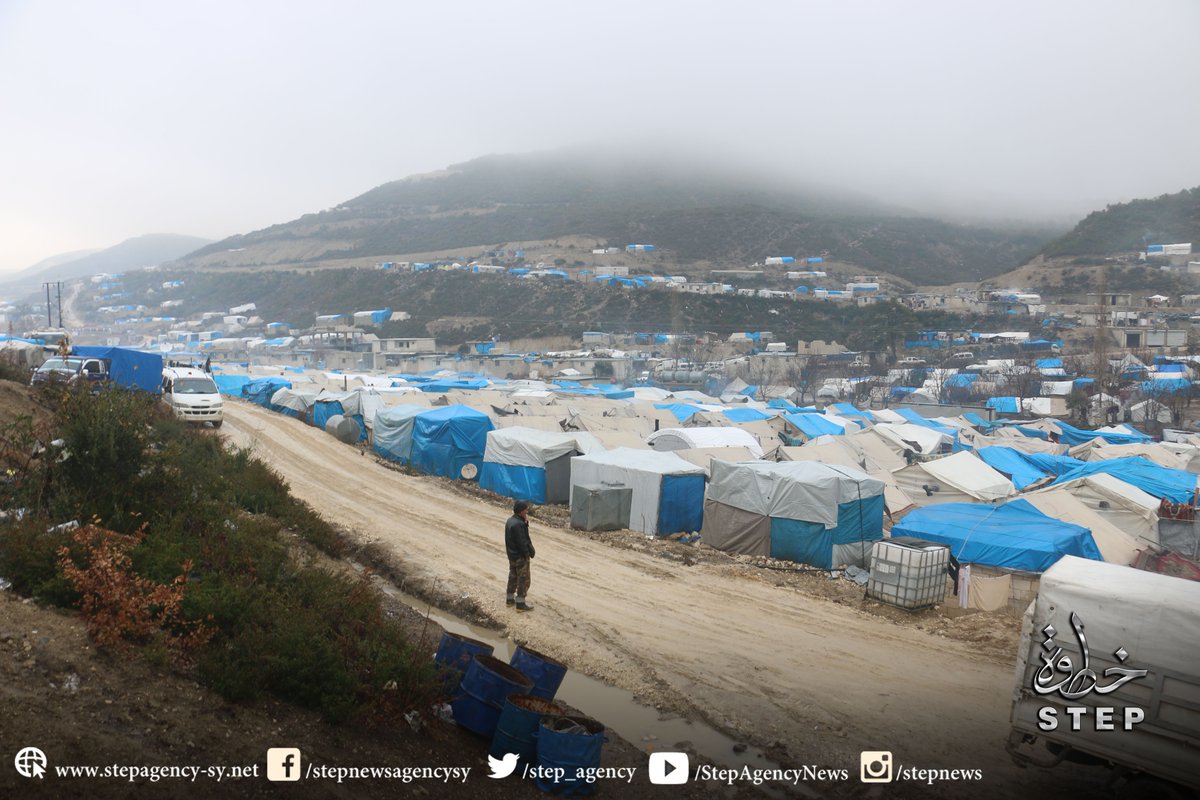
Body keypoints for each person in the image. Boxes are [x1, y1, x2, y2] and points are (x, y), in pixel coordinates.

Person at [505, 501, 535, 611]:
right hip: (520, 557)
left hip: (512, 555)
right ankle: (520, 604)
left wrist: (525, 524)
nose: (527, 512)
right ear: (521, 511)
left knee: (513, 576)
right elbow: (522, 542)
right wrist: (527, 555)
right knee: (524, 579)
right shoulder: (518, 524)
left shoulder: (510, 521)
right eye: (526, 510)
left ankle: (509, 599)